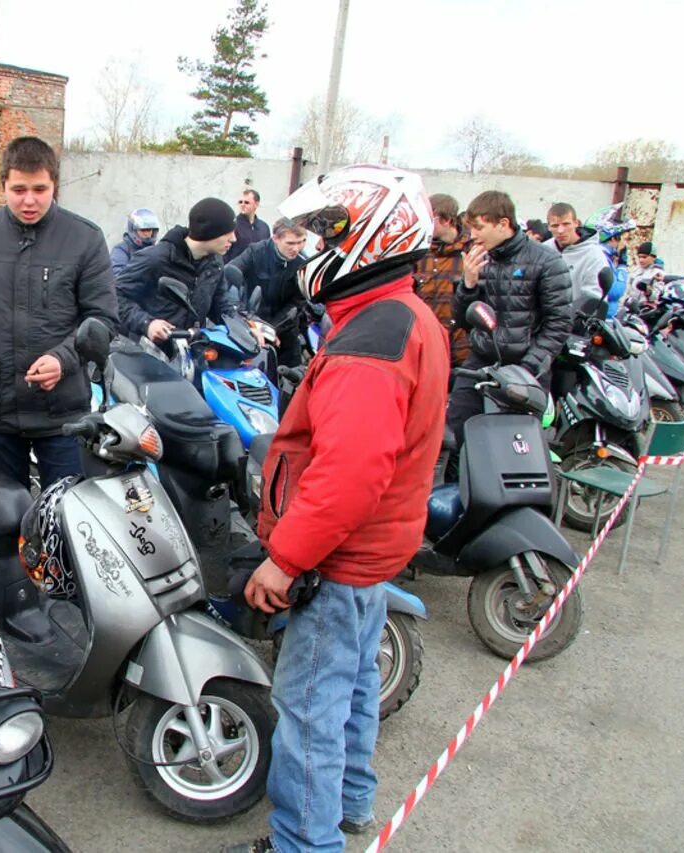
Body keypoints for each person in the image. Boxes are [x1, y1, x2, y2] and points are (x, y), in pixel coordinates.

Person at [222, 165, 450, 853]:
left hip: (338, 555)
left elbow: (350, 471)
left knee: (310, 709)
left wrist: (285, 557)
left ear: (373, 236)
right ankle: (348, 803)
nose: (316, 245)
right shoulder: (402, 313)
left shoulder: (369, 341)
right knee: (350, 691)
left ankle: (303, 842)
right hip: (373, 548)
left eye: (329, 231)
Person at [0, 136, 117, 490]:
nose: (29, 200)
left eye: (40, 188)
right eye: (19, 189)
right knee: (0, 520)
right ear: (3, 185)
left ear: (54, 184)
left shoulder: (84, 238)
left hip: (62, 415)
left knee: (67, 516)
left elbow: (102, 319)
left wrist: (64, 360)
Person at [446, 191, 573, 477]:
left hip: (524, 369)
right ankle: (456, 502)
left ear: (503, 224)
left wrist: (528, 368)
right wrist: (467, 284)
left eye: (479, 227)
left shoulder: (547, 262)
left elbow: (559, 323)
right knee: (458, 436)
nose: (473, 236)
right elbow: (464, 318)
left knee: (511, 448)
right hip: (481, 363)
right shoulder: (479, 260)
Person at [116, 197, 240, 344]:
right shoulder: (155, 259)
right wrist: (147, 324)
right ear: (210, 232)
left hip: (193, 350)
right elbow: (116, 296)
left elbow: (221, 306)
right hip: (151, 355)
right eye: (228, 232)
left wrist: (245, 328)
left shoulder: (215, 263)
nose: (234, 239)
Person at [229, 216, 309, 367]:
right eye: (290, 243)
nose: (296, 248)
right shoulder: (255, 252)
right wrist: (243, 317)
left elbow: (297, 303)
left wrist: (272, 330)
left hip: (285, 329)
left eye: (302, 242)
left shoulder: (304, 263)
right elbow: (230, 275)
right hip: (252, 325)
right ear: (275, 239)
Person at [413, 193, 472, 366]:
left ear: (446, 220)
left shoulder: (472, 252)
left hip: (461, 349)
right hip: (427, 344)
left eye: (431, 219)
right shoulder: (420, 253)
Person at [546, 202, 611, 310]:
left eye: (566, 224)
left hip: (575, 321)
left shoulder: (593, 255)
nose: (560, 230)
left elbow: (594, 298)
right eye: (555, 225)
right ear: (548, 227)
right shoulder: (543, 250)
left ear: (576, 223)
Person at [109, 207, 161, 276]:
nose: (146, 233)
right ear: (134, 230)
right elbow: (119, 276)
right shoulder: (121, 250)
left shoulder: (157, 250)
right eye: (142, 230)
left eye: (149, 230)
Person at [227, 188, 270, 262]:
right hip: (236, 269)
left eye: (247, 202)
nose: (242, 205)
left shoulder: (264, 227)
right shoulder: (231, 225)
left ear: (256, 204)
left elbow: (267, 251)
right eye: (240, 202)